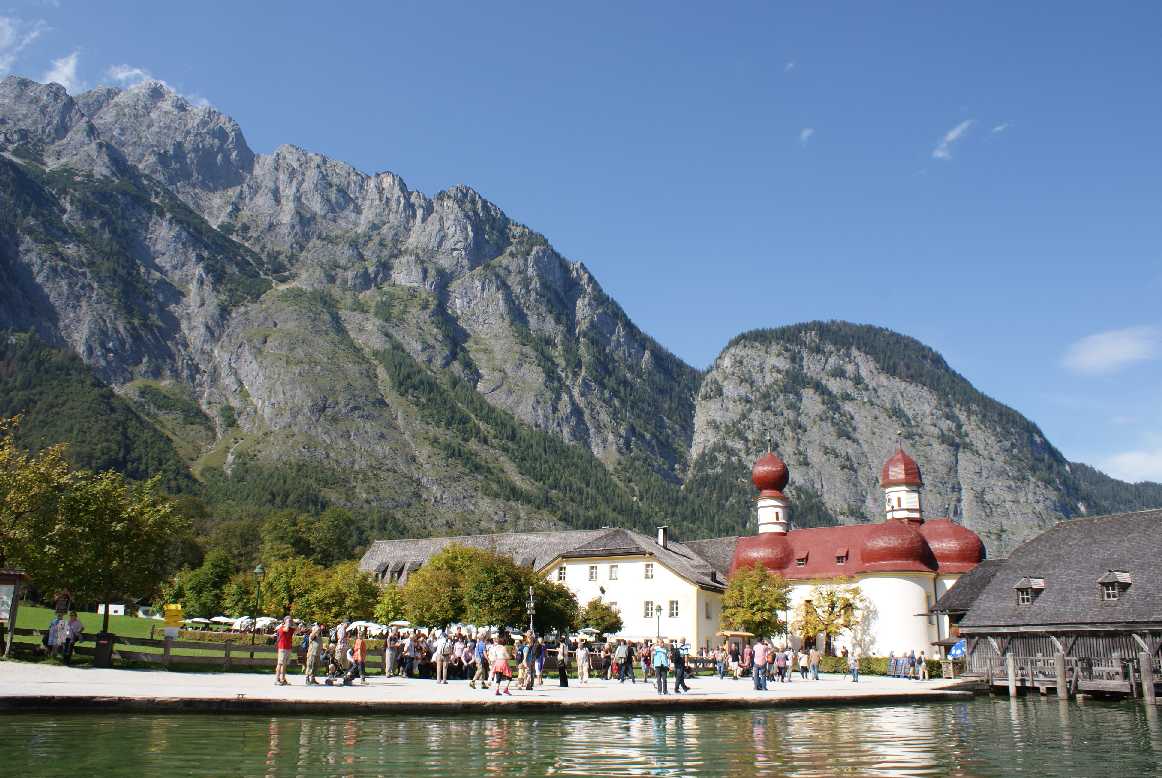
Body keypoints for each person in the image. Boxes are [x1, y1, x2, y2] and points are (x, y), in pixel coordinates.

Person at [274, 616, 295, 686]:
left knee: (285, 664)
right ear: (285, 621)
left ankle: (283, 679)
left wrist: (293, 623)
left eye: (290, 621)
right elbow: (285, 629)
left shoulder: (291, 629)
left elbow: (298, 630)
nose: (290, 622)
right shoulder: (282, 628)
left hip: (288, 648)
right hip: (282, 648)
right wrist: (287, 624)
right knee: (280, 664)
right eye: (288, 621)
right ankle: (277, 679)